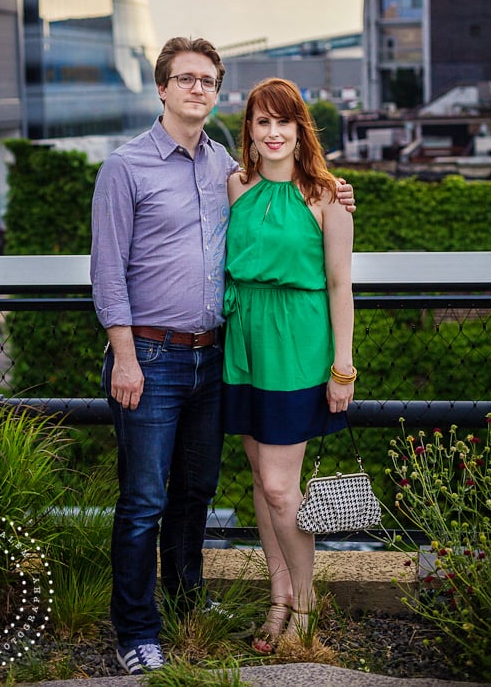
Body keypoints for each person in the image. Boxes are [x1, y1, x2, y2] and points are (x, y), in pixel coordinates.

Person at [90, 39, 355, 674]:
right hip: (157, 358)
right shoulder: (130, 168)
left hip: (225, 356)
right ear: (161, 88)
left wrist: (335, 194)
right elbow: (106, 274)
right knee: (145, 500)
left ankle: (198, 607)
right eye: (186, 79)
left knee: (198, 492)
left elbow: (334, 270)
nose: (198, 89)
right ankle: (137, 631)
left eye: (209, 80)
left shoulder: (222, 168)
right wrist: (124, 356)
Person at [222, 77, 356, 655]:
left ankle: (304, 605)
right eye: (262, 122)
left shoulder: (326, 196)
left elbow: (339, 285)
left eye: (285, 121)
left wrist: (342, 366)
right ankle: (278, 598)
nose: (273, 133)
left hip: (297, 347)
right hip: (242, 341)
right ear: (249, 132)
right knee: (259, 477)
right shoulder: (235, 186)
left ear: (301, 128)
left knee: (281, 488)